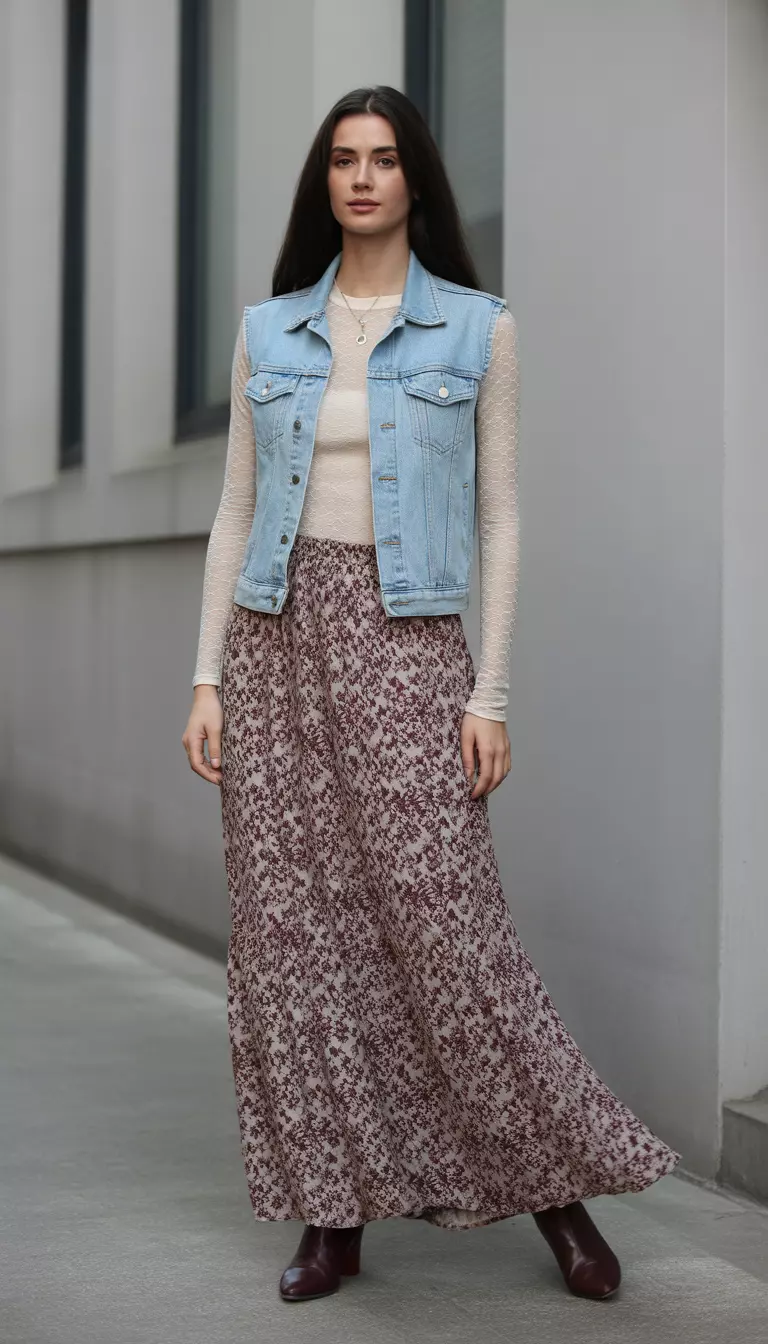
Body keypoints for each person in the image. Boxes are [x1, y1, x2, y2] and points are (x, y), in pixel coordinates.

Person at [182, 84, 680, 1305]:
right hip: (273, 644)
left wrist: (489, 690)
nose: (363, 179)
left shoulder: (477, 330)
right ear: (326, 182)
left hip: (408, 644)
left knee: (448, 936)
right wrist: (205, 680)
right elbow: (235, 512)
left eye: (385, 160)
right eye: (345, 160)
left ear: (415, 183)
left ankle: (558, 1196)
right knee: (298, 948)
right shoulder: (269, 331)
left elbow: (503, 519)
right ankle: (333, 1217)